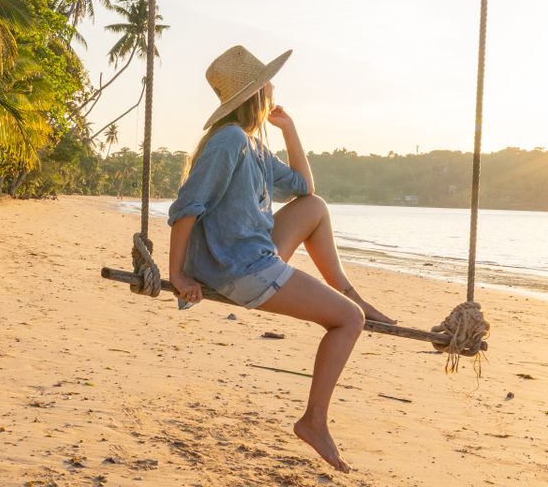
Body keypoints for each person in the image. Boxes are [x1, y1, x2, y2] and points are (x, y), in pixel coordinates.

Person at [166, 45, 394, 473]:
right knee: (348, 321)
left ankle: (351, 294)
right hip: (238, 266)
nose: (273, 87)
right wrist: (177, 274)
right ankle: (313, 422)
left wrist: (289, 128)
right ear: (255, 93)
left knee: (316, 206)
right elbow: (187, 207)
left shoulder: (252, 144)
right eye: (267, 82)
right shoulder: (230, 140)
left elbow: (304, 187)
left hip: (252, 251)